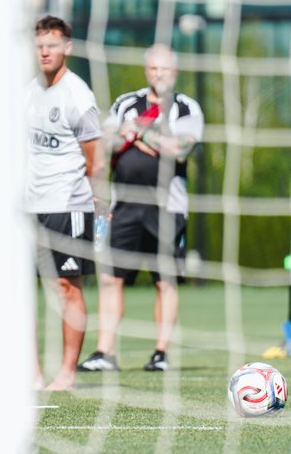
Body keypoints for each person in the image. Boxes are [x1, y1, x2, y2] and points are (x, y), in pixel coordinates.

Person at [78, 43, 203, 373]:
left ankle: (161, 353)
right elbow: (105, 141)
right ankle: (105, 351)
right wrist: (134, 137)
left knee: (165, 280)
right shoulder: (126, 103)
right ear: (147, 70)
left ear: (174, 72)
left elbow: (179, 150)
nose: (159, 74)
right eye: (154, 69)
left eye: (166, 69)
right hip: (124, 206)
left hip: (167, 207)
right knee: (110, 278)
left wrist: (138, 133)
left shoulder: (186, 108)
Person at [25, 16, 102, 392]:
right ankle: (32, 373)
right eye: (40, 44)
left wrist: (96, 199)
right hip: (27, 207)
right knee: (20, 291)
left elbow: (95, 159)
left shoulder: (78, 95)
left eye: (52, 44)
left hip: (68, 206)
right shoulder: (26, 92)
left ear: (66, 48)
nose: (44, 51)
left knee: (66, 288)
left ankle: (67, 373)